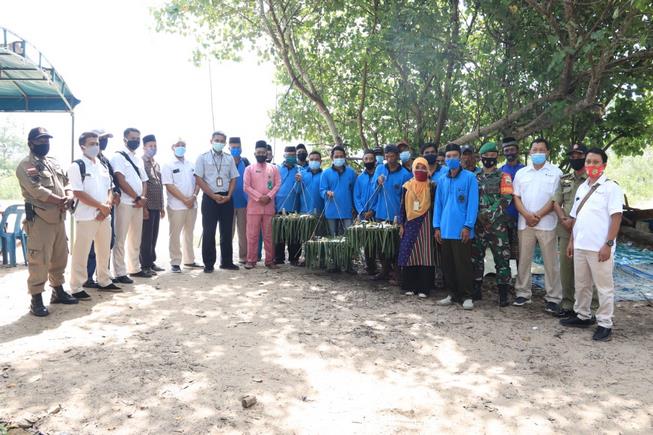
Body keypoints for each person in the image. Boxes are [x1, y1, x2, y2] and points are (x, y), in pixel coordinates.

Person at [561, 147, 623, 342]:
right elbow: (575, 218)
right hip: (580, 245)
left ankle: (605, 323)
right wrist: (571, 241)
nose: (591, 165)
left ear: (603, 165)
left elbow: (616, 218)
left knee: (604, 287)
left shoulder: (611, 187)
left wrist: (608, 243)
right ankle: (582, 315)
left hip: (600, 247)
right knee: (582, 284)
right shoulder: (582, 187)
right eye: (588, 162)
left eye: (595, 162)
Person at [16, 127, 78, 316]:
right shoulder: (26, 165)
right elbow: (36, 190)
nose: (45, 144)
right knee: (40, 260)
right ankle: (36, 299)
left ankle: (57, 291)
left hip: (59, 217)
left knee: (60, 256)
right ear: (31, 143)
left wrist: (68, 195)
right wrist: (60, 201)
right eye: (40, 141)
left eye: (47, 140)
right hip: (40, 218)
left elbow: (66, 182)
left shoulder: (52, 162)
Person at [68, 132, 121, 300]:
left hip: (104, 216)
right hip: (86, 216)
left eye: (96, 143)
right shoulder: (77, 166)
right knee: (81, 252)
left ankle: (104, 280)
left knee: (104, 249)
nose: (95, 146)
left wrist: (106, 207)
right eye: (91, 143)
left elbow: (110, 189)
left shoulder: (102, 165)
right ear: (82, 146)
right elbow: (78, 192)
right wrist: (100, 207)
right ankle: (77, 287)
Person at [512, 138, 563, 313]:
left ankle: (553, 298)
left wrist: (539, 215)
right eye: (535, 150)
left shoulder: (556, 173)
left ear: (548, 152)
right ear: (530, 152)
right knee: (524, 260)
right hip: (525, 223)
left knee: (551, 262)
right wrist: (527, 215)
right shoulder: (522, 173)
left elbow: (556, 199)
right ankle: (523, 293)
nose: (538, 153)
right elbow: (516, 197)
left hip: (547, 223)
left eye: (542, 150)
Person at [553, 143, 598, 318]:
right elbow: (556, 201)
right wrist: (564, 219)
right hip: (566, 229)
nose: (575, 158)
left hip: (587, 230)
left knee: (589, 268)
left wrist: (575, 221)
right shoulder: (564, 179)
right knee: (566, 269)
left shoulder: (593, 180)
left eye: (579, 155)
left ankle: (592, 307)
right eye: (572, 155)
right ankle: (568, 304)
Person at [434, 143, 479, 310]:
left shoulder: (469, 178)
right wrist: (436, 227)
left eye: (454, 156)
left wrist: (468, 226)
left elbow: (472, 204)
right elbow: (438, 204)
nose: (450, 159)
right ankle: (452, 294)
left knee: (463, 264)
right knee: (448, 264)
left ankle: (467, 295)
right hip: (445, 229)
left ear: (460, 158)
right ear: (445, 159)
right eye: (448, 156)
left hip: (462, 230)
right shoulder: (442, 179)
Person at [471, 142, 514, 306]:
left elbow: (506, 199)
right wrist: (477, 216)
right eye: (486, 157)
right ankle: (476, 289)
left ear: (497, 157)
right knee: (476, 258)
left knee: (502, 259)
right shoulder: (474, 177)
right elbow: (470, 200)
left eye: (492, 156)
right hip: (478, 225)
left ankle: (503, 294)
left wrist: (488, 215)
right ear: (481, 158)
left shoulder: (504, 177)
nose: (489, 159)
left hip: (498, 226)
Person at [195, 130, 241, 272]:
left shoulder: (229, 159)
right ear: (211, 141)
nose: (219, 143)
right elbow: (198, 178)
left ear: (225, 143)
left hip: (227, 198)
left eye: (222, 141)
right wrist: (213, 195)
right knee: (209, 231)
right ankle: (209, 264)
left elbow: (234, 178)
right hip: (210, 198)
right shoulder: (202, 158)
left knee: (227, 231)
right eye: (217, 140)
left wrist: (229, 195)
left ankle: (226, 262)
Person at [111, 127, 150, 283]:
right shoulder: (118, 157)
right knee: (120, 238)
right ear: (125, 139)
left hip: (138, 204)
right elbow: (120, 179)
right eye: (133, 138)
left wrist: (143, 198)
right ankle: (120, 272)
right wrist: (136, 197)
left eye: (138, 138)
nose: (136, 141)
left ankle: (134, 268)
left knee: (135, 238)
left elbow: (144, 180)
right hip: (125, 203)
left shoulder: (138, 159)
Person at [84, 129, 121, 288]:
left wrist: (116, 194)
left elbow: (112, 184)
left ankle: (103, 276)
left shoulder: (105, 161)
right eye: (101, 139)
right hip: (92, 209)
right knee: (91, 246)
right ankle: (87, 278)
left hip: (107, 208)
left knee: (107, 243)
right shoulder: (84, 161)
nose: (103, 143)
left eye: (105, 140)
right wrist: (100, 206)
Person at [372, 144, 412, 281]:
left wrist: (403, 217)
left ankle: (397, 273)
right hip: (380, 213)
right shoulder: (379, 169)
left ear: (398, 156)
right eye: (387, 156)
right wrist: (378, 182)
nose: (389, 159)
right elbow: (373, 189)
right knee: (381, 245)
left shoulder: (405, 174)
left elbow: (407, 197)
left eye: (392, 156)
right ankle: (384, 271)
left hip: (397, 216)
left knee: (396, 245)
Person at [398, 157, 436, 298]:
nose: (420, 170)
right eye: (417, 167)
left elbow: (436, 206)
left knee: (425, 255)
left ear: (427, 169)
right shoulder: (406, 186)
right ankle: (410, 286)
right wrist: (401, 224)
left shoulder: (432, 186)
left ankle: (424, 288)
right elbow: (401, 206)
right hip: (409, 223)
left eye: (423, 167)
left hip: (426, 223)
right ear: (413, 169)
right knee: (409, 253)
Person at [161, 140, 201, 273]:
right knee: (175, 235)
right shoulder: (168, 165)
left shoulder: (192, 165)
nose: (181, 147)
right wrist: (184, 199)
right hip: (176, 206)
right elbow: (169, 185)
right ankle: (175, 262)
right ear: (172, 147)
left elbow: (198, 182)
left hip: (192, 205)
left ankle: (189, 260)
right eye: (178, 145)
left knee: (189, 233)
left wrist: (194, 196)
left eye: (183, 145)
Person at [243, 140, 281, 269]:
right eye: (258, 152)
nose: (261, 154)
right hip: (253, 208)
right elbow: (246, 187)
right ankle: (251, 260)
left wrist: (269, 197)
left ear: (267, 153)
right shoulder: (249, 169)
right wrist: (260, 197)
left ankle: (270, 261)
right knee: (252, 235)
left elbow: (277, 184)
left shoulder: (273, 168)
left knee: (269, 236)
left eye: (263, 152)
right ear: (254, 153)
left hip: (269, 207)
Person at [320, 145, 356, 272]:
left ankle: (348, 264)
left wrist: (354, 207)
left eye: (341, 156)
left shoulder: (351, 172)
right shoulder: (326, 173)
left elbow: (354, 191)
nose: (339, 158)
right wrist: (326, 193)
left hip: (347, 211)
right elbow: (321, 190)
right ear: (331, 158)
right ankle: (335, 263)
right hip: (331, 211)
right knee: (333, 237)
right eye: (336, 156)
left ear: (345, 158)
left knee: (348, 238)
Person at [140, 134, 165, 275]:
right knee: (146, 236)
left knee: (154, 235)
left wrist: (162, 206)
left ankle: (151, 262)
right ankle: (145, 265)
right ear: (144, 147)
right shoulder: (141, 162)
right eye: (150, 146)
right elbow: (142, 185)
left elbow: (160, 185)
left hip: (156, 205)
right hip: (147, 205)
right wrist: (144, 207)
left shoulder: (156, 163)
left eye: (155, 146)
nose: (153, 148)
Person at [274, 146, 302, 265]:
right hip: (278, 206)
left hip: (294, 206)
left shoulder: (300, 170)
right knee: (279, 233)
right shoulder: (277, 169)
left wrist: (298, 181)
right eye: (288, 155)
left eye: (293, 155)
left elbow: (300, 190)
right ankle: (279, 258)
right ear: (284, 155)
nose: (291, 157)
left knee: (294, 234)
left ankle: (294, 258)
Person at [500, 136, 525, 265]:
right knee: (504, 253)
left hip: (522, 218)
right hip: (504, 219)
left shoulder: (525, 170)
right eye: (507, 150)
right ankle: (506, 280)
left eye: (512, 149)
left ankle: (520, 280)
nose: (510, 152)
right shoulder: (500, 171)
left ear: (517, 151)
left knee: (521, 253)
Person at [354, 149, 379, 275]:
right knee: (367, 240)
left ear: (375, 160)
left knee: (377, 240)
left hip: (375, 213)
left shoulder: (379, 175)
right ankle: (370, 266)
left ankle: (382, 267)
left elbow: (380, 195)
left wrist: (373, 211)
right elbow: (356, 196)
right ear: (363, 161)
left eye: (371, 159)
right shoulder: (360, 178)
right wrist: (362, 211)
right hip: (363, 214)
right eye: (366, 159)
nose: (368, 161)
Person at [229, 137, 249, 264]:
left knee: (243, 232)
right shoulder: (225, 161)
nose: (235, 149)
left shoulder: (246, 162)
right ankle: (227, 256)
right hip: (228, 202)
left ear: (241, 147)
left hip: (243, 203)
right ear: (229, 148)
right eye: (233, 147)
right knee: (228, 232)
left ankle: (243, 256)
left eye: (237, 147)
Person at [299, 150, 324, 215]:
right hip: (304, 212)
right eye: (312, 159)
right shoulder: (302, 174)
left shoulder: (324, 175)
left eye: (316, 159)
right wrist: (297, 182)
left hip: (320, 212)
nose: (314, 161)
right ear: (308, 161)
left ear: (321, 162)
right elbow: (297, 190)